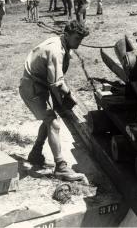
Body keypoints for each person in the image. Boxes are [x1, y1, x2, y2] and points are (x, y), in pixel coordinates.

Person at [19, 20, 90, 181]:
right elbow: (56, 84)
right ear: (66, 35)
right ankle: (61, 167)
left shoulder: (64, 45)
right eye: (77, 39)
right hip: (32, 87)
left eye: (81, 39)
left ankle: (35, 153)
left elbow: (58, 81)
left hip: (41, 84)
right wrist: (65, 100)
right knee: (53, 122)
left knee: (49, 118)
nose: (79, 42)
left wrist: (66, 97)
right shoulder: (56, 50)